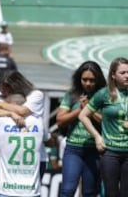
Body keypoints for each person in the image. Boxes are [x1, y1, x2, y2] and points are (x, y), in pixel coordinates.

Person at [79, 57, 128, 197]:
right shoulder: (104, 94)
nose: (127, 75)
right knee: (111, 193)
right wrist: (97, 137)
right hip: (110, 153)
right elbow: (83, 116)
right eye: (123, 72)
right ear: (113, 75)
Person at [56, 61, 106, 197]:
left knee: (89, 192)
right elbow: (60, 121)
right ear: (79, 79)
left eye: (92, 80)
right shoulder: (72, 95)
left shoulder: (104, 96)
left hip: (95, 151)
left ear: (98, 80)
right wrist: (79, 110)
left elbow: (107, 123)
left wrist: (89, 109)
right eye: (85, 80)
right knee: (67, 190)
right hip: (73, 149)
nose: (88, 83)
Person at [0, 70, 49, 179]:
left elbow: (23, 111)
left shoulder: (36, 95)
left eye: (4, 87)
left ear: (14, 85)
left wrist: (1, 105)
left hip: (33, 158)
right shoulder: (1, 98)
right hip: (9, 158)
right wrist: (10, 113)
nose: (1, 90)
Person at [0, 93, 44, 197]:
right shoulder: (39, 122)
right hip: (31, 191)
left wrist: (9, 112)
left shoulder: (1, 121)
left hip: (5, 189)